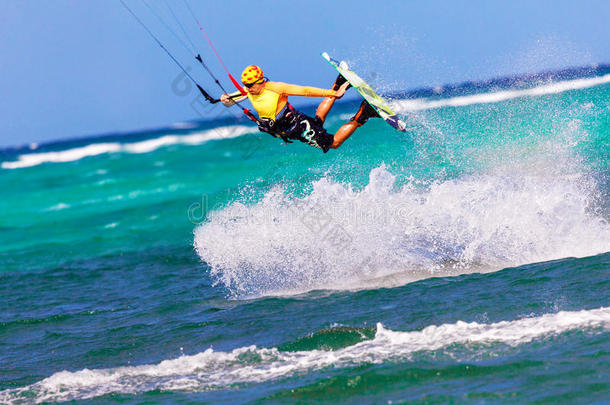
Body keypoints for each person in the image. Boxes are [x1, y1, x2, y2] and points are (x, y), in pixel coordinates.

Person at [220, 65, 379, 152]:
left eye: (250, 85)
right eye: (245, 85)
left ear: (260, 81)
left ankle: (363, 113)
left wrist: (334, 94)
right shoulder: (249, 90)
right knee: (318, 120)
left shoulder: (276, 88)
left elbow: (305, 91)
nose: (247, 88)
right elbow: (230, 101)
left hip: (297, 126)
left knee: (333, 143)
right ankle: (338, 82)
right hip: (290, 127)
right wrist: (225, 99)